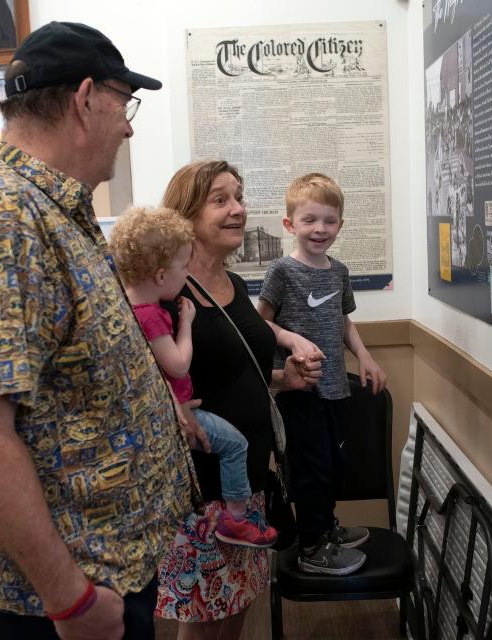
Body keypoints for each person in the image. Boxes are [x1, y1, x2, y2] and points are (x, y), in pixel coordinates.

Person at [0, 22, 200, 640]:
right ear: (85, 97)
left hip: (109, 570)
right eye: (124, 103)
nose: (127, 124)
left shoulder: (49, 208)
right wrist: (70, 601)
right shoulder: (0, 216)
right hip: (74, 594)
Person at [154, 161, 323, 639]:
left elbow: (234, 375)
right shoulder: (168, 294)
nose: (238, 210)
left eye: (239, 197)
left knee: (234, 617)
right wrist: (171, 408)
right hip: (202, 494)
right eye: (221, 200)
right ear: (185, 215)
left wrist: (283, 380)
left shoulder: (235, 286)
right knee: (205, 625)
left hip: (246, 491)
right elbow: (144, 380)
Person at [109, 206, 278, 548]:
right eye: (181, 267)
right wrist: (186, 324)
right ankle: (236, 519)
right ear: (159, 275)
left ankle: (238, 515)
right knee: (234, 444)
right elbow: (178, 366)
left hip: (237, 456)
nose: (185, 275)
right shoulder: (154, 313)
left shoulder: (144, 304)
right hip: (194, 468)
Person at [258, 173, 387, 576]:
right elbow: (261, 323)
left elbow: (344, 321)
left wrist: (364, 357)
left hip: (334, 390)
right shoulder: (281, 271)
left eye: (329, 221)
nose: (320, 229)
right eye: (310, 220)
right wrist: (290, 337)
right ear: (289, 225)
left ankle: (326, 528)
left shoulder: (339, 271)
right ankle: (312, 545)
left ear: (340, 225)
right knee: (310, 470)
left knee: (332, 465)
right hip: (300, 389)